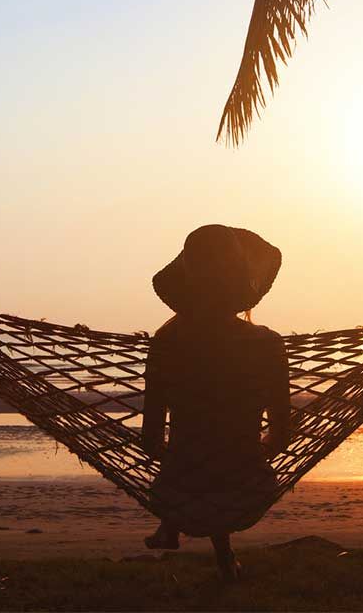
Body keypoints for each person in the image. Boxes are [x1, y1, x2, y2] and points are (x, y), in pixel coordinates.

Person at [141, 224, 291, 581]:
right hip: (247, 488)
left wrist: (187, 459)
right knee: (216, 463)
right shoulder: (268, 346)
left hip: (176, 491)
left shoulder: (166, 345)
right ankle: (223, 556)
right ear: (241, 285)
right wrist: (244, 454)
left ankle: (172, 524)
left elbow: (149, 440)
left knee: (195, 460)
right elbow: (281, 435)